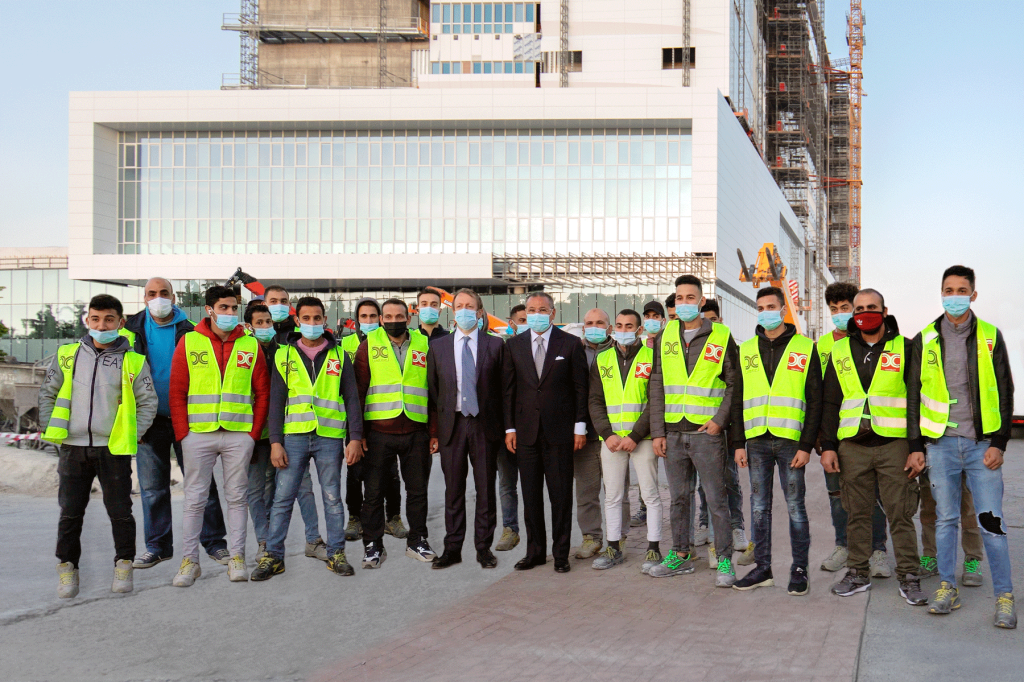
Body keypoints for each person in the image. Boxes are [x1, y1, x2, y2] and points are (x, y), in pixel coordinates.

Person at [908, 266, 1016, 628]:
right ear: (940, 293)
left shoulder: (989, 336)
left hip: (980, 445)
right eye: (948, 289)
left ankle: (1004, 596)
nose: (954, 295)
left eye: (961, 289)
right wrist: (917, 445)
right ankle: (946, 587)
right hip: (940, 446)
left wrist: (999, 442)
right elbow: (914, 397)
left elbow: (1005, 388)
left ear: (973, 294)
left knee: (991, 523)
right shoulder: (925, 339)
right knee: (946, 520)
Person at [40, 294, 158, 598]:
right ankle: (67, 569)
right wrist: (49, 428)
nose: (101, 325)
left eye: (108, 319)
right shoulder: (67, 354)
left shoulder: (133, 361)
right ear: (87, 320)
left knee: (120, 512)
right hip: (73, 447)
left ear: (120, 323)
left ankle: (123, 565)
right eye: (95, 319)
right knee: (70, 513)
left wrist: (134, 433)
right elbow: (47, 394)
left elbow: (147, 402)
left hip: (113, 449)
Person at [820, 289, 927, 605]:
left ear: (884, 310)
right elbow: (830, 402)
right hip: (852, 446)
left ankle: (909, 575)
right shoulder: (840, 351)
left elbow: (914, 400)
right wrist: (828, 446)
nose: (865, 312)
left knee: (901, 513)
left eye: (872, 307)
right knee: (856, 513)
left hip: (894, 445)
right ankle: (857, 572)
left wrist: (916, 446)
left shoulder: (905, 348)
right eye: (859, 308)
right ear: (853, 315)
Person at [252, 297, 364, 581]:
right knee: (282, 498)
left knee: (332, 498)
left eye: (317, 318)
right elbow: (276, 402)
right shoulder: (284, 355)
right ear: (297, 320)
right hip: (295, 437)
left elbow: (351, 398)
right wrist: (275, 441)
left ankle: (336, 553)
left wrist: (355, 437)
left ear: (324, 320)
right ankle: (274, 557)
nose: (312, 323)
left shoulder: (339, 355)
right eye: (306, 318)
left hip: (329, 437)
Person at [168, 285, 271, 586]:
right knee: (195, 500)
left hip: (239, 434)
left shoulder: (250, 345)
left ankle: (236, 558)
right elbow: (176, 391)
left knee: (237, 498)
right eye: (223, 307)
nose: (229, 313)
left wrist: (253, 434)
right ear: (209, 309)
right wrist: (183, 434)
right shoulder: (189, 342)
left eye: (233, 308)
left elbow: (262, 392)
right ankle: (189, 562)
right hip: (198, 434)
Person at [124, 278, 230, 569]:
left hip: (190, 419)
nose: (158, 298)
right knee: (153, 489)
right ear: (144, 297)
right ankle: (158, 546)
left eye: (163, 293)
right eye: (152, 293)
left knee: (202, 485)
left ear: (173, 296)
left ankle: (215, 543)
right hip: (149, 421)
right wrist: (134, 422)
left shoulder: (195, 331)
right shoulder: (129, 331)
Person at [649, 275, 739, 587]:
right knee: (678, 499)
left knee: (716, 498)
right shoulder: (665, 335)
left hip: (707, 434)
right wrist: (657, 431)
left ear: (701, 301)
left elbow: (732, 384)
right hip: (673, 434)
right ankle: (681, 555)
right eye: (679, 297)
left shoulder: (721, 335)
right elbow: (657, 384)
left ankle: (725, 559)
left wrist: (720, 419)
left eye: (691, 297)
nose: (684, 303)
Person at [731, 287, 821, 595]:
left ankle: (799, 569)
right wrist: (738, 443)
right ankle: (763, 569)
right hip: (756, 442)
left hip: (790, 444)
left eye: (771, 306)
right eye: (760, 307)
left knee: (796, 506)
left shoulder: (805, 347)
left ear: (783, 309)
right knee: (758, 508)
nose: (766, 311)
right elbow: (736, 399)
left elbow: (815, 399)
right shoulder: (745, 350)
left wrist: (807, 445)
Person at [503, 292, 588, 573]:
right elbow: (509, 391)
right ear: (525, 313)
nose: (536, 314)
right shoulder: (513, 345)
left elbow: (580, 389)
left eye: (542, 309)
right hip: (525, 433)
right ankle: (535, 552)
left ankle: (561, 553)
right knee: (530, 496)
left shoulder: (571, 344)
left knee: (561, 496)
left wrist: (579, 427)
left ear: (552, 313)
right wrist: (510, 428)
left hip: (560, 434)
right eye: (531, 309)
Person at [355, 298, 437, 568]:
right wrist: (358, 434)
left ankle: (417, 540)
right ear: (381, 319)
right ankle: (373, 545)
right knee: (374, 492)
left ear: (409, 318)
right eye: (387, 316)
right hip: (379, 432)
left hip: (416, 431)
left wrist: (433, 431)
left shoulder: (425, 345)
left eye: (398, 315)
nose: (393, 320)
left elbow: (435, 391)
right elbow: (358, 392)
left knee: (418, 491)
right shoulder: (369, 345)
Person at [428, 289, 506, 569]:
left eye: (469, 306)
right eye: (459, 305)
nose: (464, 310)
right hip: (453, 426)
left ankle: (483, 548)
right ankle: (453, 548)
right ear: (452, 311)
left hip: (485, 426)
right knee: (453, 490)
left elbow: (503, 391)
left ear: (480, 312)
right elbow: (433, 393)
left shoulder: (495, 346)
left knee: (485, 489)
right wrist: (434, 432)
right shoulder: (438, 347)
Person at [818, 282, 892, 576]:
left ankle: (877, 551)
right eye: (834, 310)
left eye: (845, 308)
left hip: (869, 436)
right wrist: (822, 440)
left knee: (870, 496)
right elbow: (818, 394)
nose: (839, 314)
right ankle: (843, 546)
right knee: (837, 494)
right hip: (834, 434)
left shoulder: (869, 341)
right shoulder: (822, 346)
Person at [243, 302, 325, 562]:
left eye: (268, 322)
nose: (266, 326)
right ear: (249, 326)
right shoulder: (242, 355)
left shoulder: (286, 353)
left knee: (303, 486)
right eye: (260, 323)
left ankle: (313, 539)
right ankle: (265, 542)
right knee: (258, 491)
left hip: (287, 432)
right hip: (254, 434)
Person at [589, 309, 665, 573]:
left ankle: (653, 548)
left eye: (629, 325)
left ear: (640, 329)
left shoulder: (652, 357)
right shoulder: (602, 358)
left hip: (640, 439)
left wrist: (635, 435)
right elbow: (595, 401)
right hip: (611, 441)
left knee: (650, 494)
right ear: (612, 329)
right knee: (612, 496)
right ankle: (613, 547)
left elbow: (655, 400)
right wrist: (607, 434)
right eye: (619, 324)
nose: (623, 329)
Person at [692, 300, 752, 567]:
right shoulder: (692, 350)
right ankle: (705, 522)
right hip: (696, 427)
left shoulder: (730, 348)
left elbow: (736, 391)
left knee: (729, 480)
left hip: (724, 427)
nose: (710, 324)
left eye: (715, 319)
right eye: (706, 320)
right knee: (705, 485)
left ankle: (737, 525)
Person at [341, 298, 405, 542]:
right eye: (363, 316)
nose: (367, 320)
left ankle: (394, 517)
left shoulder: (388, 343)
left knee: (390, 471)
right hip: (353, 418)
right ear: (357, 319)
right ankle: (355, 518)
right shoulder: (345, 344)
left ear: (379, 319)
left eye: (372, 316)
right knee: (355, 470)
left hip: (382, 418)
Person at [574, 308, 616, 559]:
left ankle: (617, 537)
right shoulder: (574, 352)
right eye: (589, 323)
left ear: (609, 328)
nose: (594, 327)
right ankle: (591, 537)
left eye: (600, 322)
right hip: (586, 434)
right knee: (586, 491)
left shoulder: (620, 351)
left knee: (616, 491)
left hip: (614, 433)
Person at [495, 303, 529, 551]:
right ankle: (510, 529)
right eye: (522, 319)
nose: (527, 322)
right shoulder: (503, 349)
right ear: (512, 322)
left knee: (533, 484)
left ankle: (538, 534)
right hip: (506, 428)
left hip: (533, 428)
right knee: (507, 483)